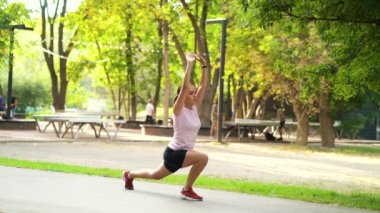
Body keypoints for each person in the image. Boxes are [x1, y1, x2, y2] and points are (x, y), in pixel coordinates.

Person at [123, 52, 209, 201]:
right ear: (182, 96)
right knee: (203, 158)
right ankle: (187, 189)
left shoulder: (194, 107)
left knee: (154, 175)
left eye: (194, 93)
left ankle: (129, 175)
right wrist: (189, 64)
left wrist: (204, 65)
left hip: (181, 153)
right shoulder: (178, 110)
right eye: (191, 93)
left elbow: (204, 85)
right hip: (175, 152)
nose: (194, 95)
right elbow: (183, 88)